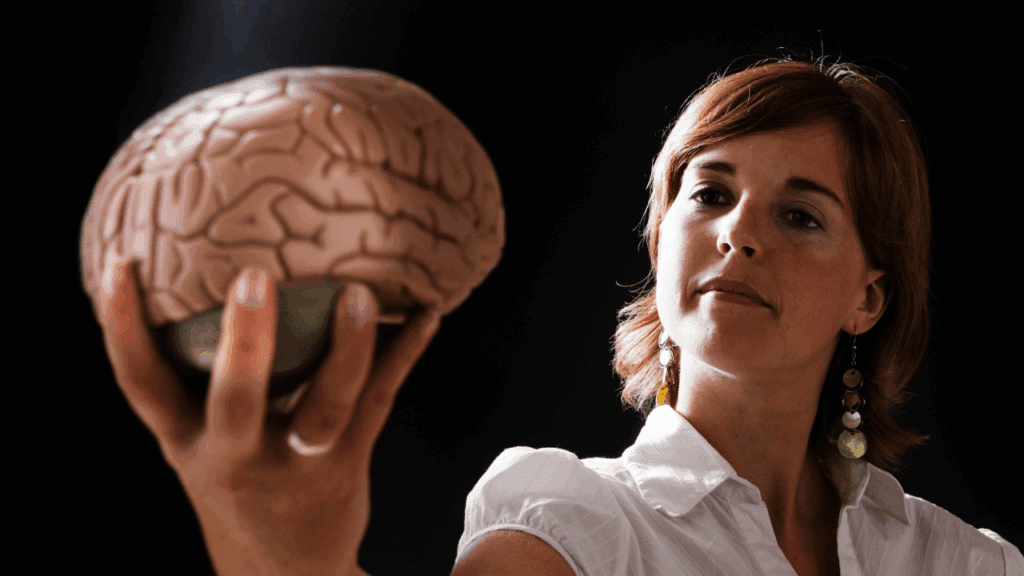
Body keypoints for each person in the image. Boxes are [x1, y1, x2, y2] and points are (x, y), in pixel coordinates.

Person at [94, 57, 1024, 576]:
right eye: (710, 194)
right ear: (660, 242)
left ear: (869, 296)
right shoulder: (575, 527)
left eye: (800, 215)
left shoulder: (955, 563)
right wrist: (294, 561)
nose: (739, 232)